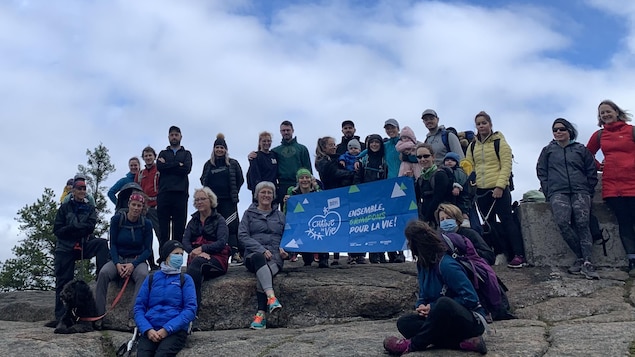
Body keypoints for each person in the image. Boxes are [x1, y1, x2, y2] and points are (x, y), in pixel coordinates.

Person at [383, 220, 487, 355]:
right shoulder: (423, 266)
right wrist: (421, 307)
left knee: (443, 304)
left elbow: (471, 299)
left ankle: (413, 345)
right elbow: (423, 296)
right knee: (404, 323)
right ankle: (463, 343)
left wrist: (433, 307)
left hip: (470, 321)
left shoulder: (446, 265)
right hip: (441, 321)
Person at [537, 118, 599, 279]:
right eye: (555, 129)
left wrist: (588, 189)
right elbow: (541, 171)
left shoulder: (581, 149)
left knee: (582, 223)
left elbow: (590, 170)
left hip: (581, 191)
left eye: (562, 129)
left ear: (569, 131)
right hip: (558, 192)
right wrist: (548, 191)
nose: (558, 132)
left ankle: (587, 262)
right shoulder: (548, 150)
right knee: (563, 223)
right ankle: (580, 256)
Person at [466, 111, 526, 269]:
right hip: (481, 190)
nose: (481, 126)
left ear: (490, 124)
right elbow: (469, 166)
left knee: (507, 221)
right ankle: (500, 253)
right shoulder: (472, 146)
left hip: (499, 188)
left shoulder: (500, 142)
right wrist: (472, 183)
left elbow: (506, 166)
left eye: (484, 123)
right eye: (478, 124)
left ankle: (518, 254)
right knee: (488, 224)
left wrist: (500, 186)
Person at [46, 179, 109, 328]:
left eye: (84, 188)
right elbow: (58, 230)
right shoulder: (64, 208)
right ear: (73, 190)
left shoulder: (90, 209)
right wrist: (76, 229)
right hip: (65, 248)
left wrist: (72, 228)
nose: (82, 191)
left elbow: (90, 227)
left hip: (83, 244)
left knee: (101, 243)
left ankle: (101, 274)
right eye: (79, 188)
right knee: (63, 281)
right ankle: (61, 317)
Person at [586, 100, 635, 276]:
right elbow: (587, 153)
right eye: (602, 113)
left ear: (616, 112)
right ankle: (632, 260)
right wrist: (599, 166)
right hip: (613, 187)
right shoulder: (599, 135)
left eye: (608, 111)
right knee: (625, 223)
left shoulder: (631, 130)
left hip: (633, 183)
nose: (605, 115)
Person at [238, 181, 288, 330]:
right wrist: (260, 249)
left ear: (273, 196)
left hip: (274, 258)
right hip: (253, 257)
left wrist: (286, 250)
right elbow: (242, 235)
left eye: (269, 193)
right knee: (259, 259)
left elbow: (288, 235)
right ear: (257, 195)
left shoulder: (280, 215)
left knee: (264, 274)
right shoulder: (248, 214)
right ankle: (271, 299)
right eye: (263, 192)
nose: (266, 195)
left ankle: (261, 314)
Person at [134, 240, 197, 357]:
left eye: (181, 255)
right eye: (176, 254)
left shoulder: (186, 279)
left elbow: (190, 309)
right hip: (151, 329)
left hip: (175, 331)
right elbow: (139, 307)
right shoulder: (151, 278)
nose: (179, 257)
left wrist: (167, 329)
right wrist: (147, 329)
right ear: (166, 256)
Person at [95, 193, 152, 317]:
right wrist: (117, 264)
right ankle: (98, 315)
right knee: (104, 273)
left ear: (142, 208)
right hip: (118, 259)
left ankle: (134, 316)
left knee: (143, 275)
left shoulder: (146, 224)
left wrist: (133, 264)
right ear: (129, 205)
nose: (136, 208)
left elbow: (148, 250)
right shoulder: (117, 220)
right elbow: (113, 244)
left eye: (139, 206)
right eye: (134, 205)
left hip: (137, 260)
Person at [183, 187, 230, 314]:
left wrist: (203, 249)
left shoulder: (219, 220)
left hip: (217, 259)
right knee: (194, 267)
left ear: (210, 200)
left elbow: (222, 242)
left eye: (202, 199)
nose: (199, 202)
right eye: (197, 200)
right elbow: (185, 241)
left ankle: (192, 311)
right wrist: (193, 251)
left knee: (197, 264)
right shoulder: (193, 221)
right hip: (196, 258)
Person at [200, 133, 245, 265]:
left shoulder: (233, 163)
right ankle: (216, 255)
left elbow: (240, 179)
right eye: (217, 147)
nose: (219, 150)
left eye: (222, 147)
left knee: (231, 227)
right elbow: (203, 180)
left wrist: (234, 192)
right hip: (213, 203)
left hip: (229, 201)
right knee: (214, 228)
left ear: (225, 149)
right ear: (214, 149)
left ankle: (235, 254)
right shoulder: (208, 164)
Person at [315, 136, 357, 266]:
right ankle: (326, 256)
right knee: (330, 225)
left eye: (334, 144)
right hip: (330, 195)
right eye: (331, 145)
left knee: (346, 223)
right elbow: (332, 174)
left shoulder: (339, 158)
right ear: (324, 147)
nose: (334, 147)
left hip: (342, 194)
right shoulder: (321, 161)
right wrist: (350, 174)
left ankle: (351, 255)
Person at [354, 134, 388, 264]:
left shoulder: (385, 159)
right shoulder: (364, 159)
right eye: (372, 142)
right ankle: (373, 253)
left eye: (377, 142)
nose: (374, 145)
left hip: (382, 196)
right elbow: (358, 177)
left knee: (383, 225)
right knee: (370, 225)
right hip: (367, 196)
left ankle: (383, 253)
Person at [157, 125, 192, 245]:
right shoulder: (163, 153)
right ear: (168, 137)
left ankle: (177, 256)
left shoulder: (186, 154)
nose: (174, 137)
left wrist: (169, 165)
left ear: (181, 137)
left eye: (176, 135)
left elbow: (186, 169)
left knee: (179, 228)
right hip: (164, 194)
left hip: (180, 194)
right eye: (172, 135)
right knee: (163, 229)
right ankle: (163, 258)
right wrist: (178, 164)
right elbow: (160, 167)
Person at [284, 168, 322, 266]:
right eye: (301, 178)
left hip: (315, 224)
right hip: (301, 226)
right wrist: (286, 202)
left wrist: (316, 186)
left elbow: (323, 199)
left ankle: (322, 256)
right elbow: (287, 212)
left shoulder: (317, 191)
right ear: (298, 180)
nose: (304, 180)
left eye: (307, 177)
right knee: (307, 261)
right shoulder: (292, 192)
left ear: (311, 179)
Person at [271, 120, 313, 204]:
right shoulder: (275, 151)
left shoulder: (302, 149)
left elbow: (308, 169)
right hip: (283, 185)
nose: (286, 132)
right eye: (283, 130)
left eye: (288, 130)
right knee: (285, 212)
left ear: (292, 131)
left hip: (300, 185)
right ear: (280, 132)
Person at [414, 143, 453, 226]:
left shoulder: (440, 175)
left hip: (442, 219)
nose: (423, 159)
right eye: (419, 157)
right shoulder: (421, 178)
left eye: (426, 156)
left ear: (433, 157)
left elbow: (438, 198)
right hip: (427, 220)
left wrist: (427, 219)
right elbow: (415, 198)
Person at [136, 146, 161, 270]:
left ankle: (163, 260)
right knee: (146, 235)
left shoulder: (159, 170)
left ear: (154, 156)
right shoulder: (141, 173)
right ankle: (151, 262)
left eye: (150, 155)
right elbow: (137, 189)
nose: (148, 158)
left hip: (156, 207)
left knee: (160, 234)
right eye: (146, 156)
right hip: (143, 208)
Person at [246, 131, 279, 199]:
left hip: (273, 191)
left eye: (269, 141)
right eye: (264, 141)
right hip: (260, 192)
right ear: (260, 142)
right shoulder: (255, 156)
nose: (266, 143)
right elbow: (253, 176)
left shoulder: (274, 155)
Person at [443, 152, 471, 219]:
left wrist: (457, 187)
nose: (449, 162)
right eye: (447, 160)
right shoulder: (443, 171)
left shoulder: (459, 171)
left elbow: (461, 179)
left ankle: (464, 214)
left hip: (459, 196)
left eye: (452, 160)